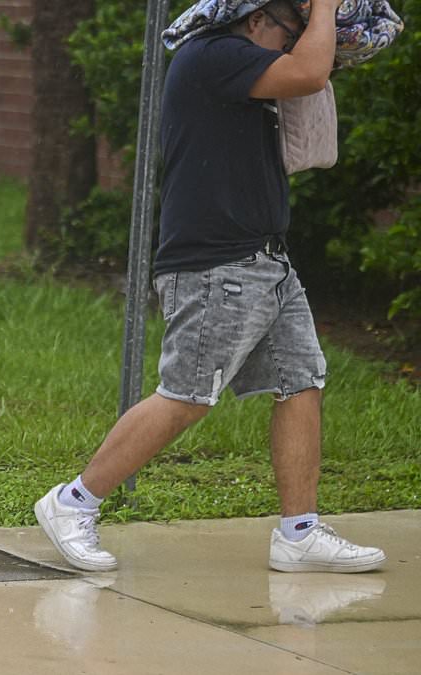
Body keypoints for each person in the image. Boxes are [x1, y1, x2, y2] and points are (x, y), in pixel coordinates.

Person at [34, 0, 386, 573]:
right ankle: (72, 502)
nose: (296, 43)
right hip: (215, 266)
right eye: (289, 32)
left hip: (266, 258)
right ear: (253, 21)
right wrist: (323, 6)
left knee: (301, 381)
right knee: (188, 396)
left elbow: (317, 67)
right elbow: (310, 72)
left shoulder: (241, 61)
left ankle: (298, 533)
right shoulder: (213, 55)